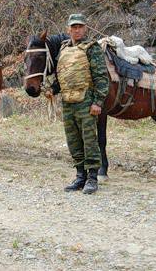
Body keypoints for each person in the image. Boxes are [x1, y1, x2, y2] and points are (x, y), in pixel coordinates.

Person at [49, 14, 109, 194]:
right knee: (73, 141)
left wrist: (98, 102)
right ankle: (80, 176)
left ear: (85, 28)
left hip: (86, 101)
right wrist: (53, 89)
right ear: (68, 29)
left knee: (89, 140)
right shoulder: (63, 48)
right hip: (68, 102)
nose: (77, 30)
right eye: (73, 27)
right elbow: (63, 76)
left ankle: (92, 178)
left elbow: (101, 77)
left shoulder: (92, 48)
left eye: (80, 27)